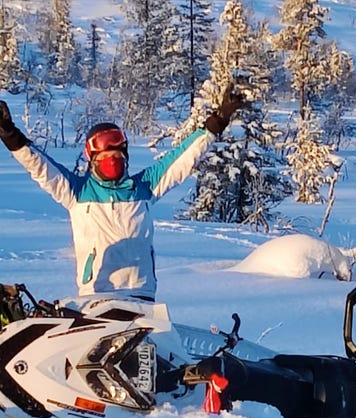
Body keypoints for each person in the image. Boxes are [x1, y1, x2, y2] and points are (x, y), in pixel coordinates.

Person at [0, 90, 242, 302]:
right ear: (92, 159)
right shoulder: (76, 192)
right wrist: (10, 135)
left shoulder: (144, 187)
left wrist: (217, 122)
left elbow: (182, 157)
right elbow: (40, 166)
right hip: (97, 294)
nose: (112, 160)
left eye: (117, 155)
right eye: (106, 156)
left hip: (141, 293)